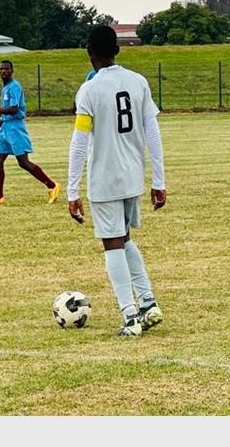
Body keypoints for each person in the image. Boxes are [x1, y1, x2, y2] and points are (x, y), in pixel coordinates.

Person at [67, 25, 167, 336]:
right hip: (133, 176)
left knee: (112, 244)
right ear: (118, 50)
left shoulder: (90, 90)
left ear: (89, 52)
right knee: (123, 238)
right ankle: (149, 303)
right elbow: (153, 133)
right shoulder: (138, 82)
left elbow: (79, 141)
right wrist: (159, 180)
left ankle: (129, 316)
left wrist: (72, 189)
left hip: (105, 178)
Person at [0, 60, 60, 205]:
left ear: (12, 71)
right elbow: (8, 110)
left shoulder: (14, 87)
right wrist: (1, 120)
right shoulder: (5, 88)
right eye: (1, 69)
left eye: (6, 69)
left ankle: (52, 186)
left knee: (23, 162)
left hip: (15, 128)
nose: (3, 71)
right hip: (5, 128)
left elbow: (14, 109)